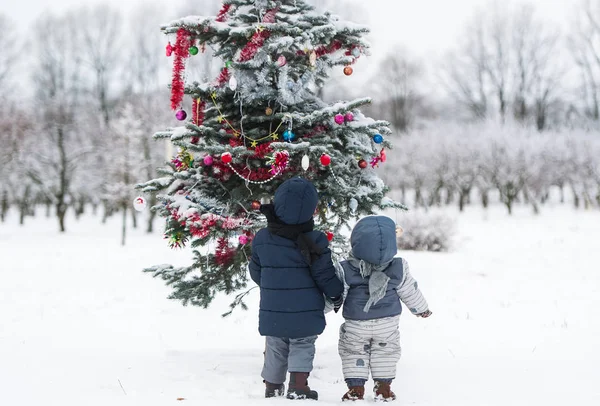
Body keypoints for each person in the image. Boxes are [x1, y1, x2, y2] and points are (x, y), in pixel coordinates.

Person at [249, 177, 344, 400]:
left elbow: (255, 270)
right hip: (306, 309)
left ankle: (272, 386)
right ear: (311, 210)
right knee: (302, 344)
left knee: (275, 345)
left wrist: (270, 285)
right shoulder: (315, 240)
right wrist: (335, 292)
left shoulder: (263, 238)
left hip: (273, 308)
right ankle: (298, 385)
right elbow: (325, 275)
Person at [337, 215, 432, 402]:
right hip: (387, 321)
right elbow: (409, 289)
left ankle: (356, 388)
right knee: (386, 350)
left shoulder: (346, 268)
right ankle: (384, 388)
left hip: (357, 321)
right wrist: (421, 309)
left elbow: (338, 292)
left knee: (353, 350)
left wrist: (322, 308)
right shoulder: (398, 266)